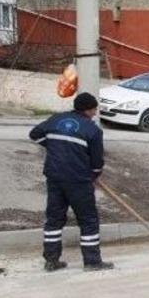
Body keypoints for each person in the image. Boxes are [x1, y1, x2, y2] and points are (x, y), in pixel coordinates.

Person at [28, 92, 113, 272]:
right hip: (79, 181)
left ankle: (51, 261)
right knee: (88, 220)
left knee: (54, 220)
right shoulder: (93, 130)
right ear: (88, 110)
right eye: (94, 109)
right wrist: (93, 175)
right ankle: (92, 262)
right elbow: (97, 163)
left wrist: (54, 145)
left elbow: (35, 134)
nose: (96, 112)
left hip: (55, 178)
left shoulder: (56, 119)